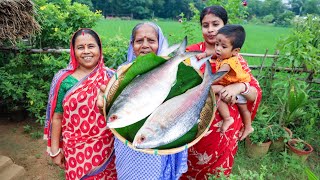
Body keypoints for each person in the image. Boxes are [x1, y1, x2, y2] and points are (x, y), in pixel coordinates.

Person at [98, 22, 188, 180]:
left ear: (160, 43)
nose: (145, 45)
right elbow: (110, 111)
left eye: (151, 41)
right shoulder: (121, 74)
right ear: (132, 45)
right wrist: (102, 105)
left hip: (160, 142)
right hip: (129, 147)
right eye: (139, 41)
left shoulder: (176, 71)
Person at [181, 5, 262, 178]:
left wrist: (239, 87)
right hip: (191, 127)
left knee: (217, 174)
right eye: (205, 25)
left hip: (223, 132)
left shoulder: (234, 59)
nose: (210, 30)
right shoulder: (191, 54)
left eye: (215, 24)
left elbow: (255, 93)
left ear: (224, 25)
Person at [43, 28, 117, 179]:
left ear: (99, 49)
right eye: (80, 47)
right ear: (73, 51)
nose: (86, 51)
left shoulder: (111, 77)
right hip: (75, 150)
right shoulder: (63, 80)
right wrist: (55, 150)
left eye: (91, 46)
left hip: (106, 147)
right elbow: (57, 117)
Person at [211, 24, 254, 139]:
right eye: (216, 44)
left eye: (223, 46)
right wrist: (204, 54)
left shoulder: (228, 63)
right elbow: (213, 54)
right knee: (242, 108)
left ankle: (230, 120)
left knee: (213, 91)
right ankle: (246, 125)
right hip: (231, 86)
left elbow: (219, 75)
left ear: (235, 51)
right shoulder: (225, 56)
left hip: (237, 89)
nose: (218, 48)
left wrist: (208, 81)